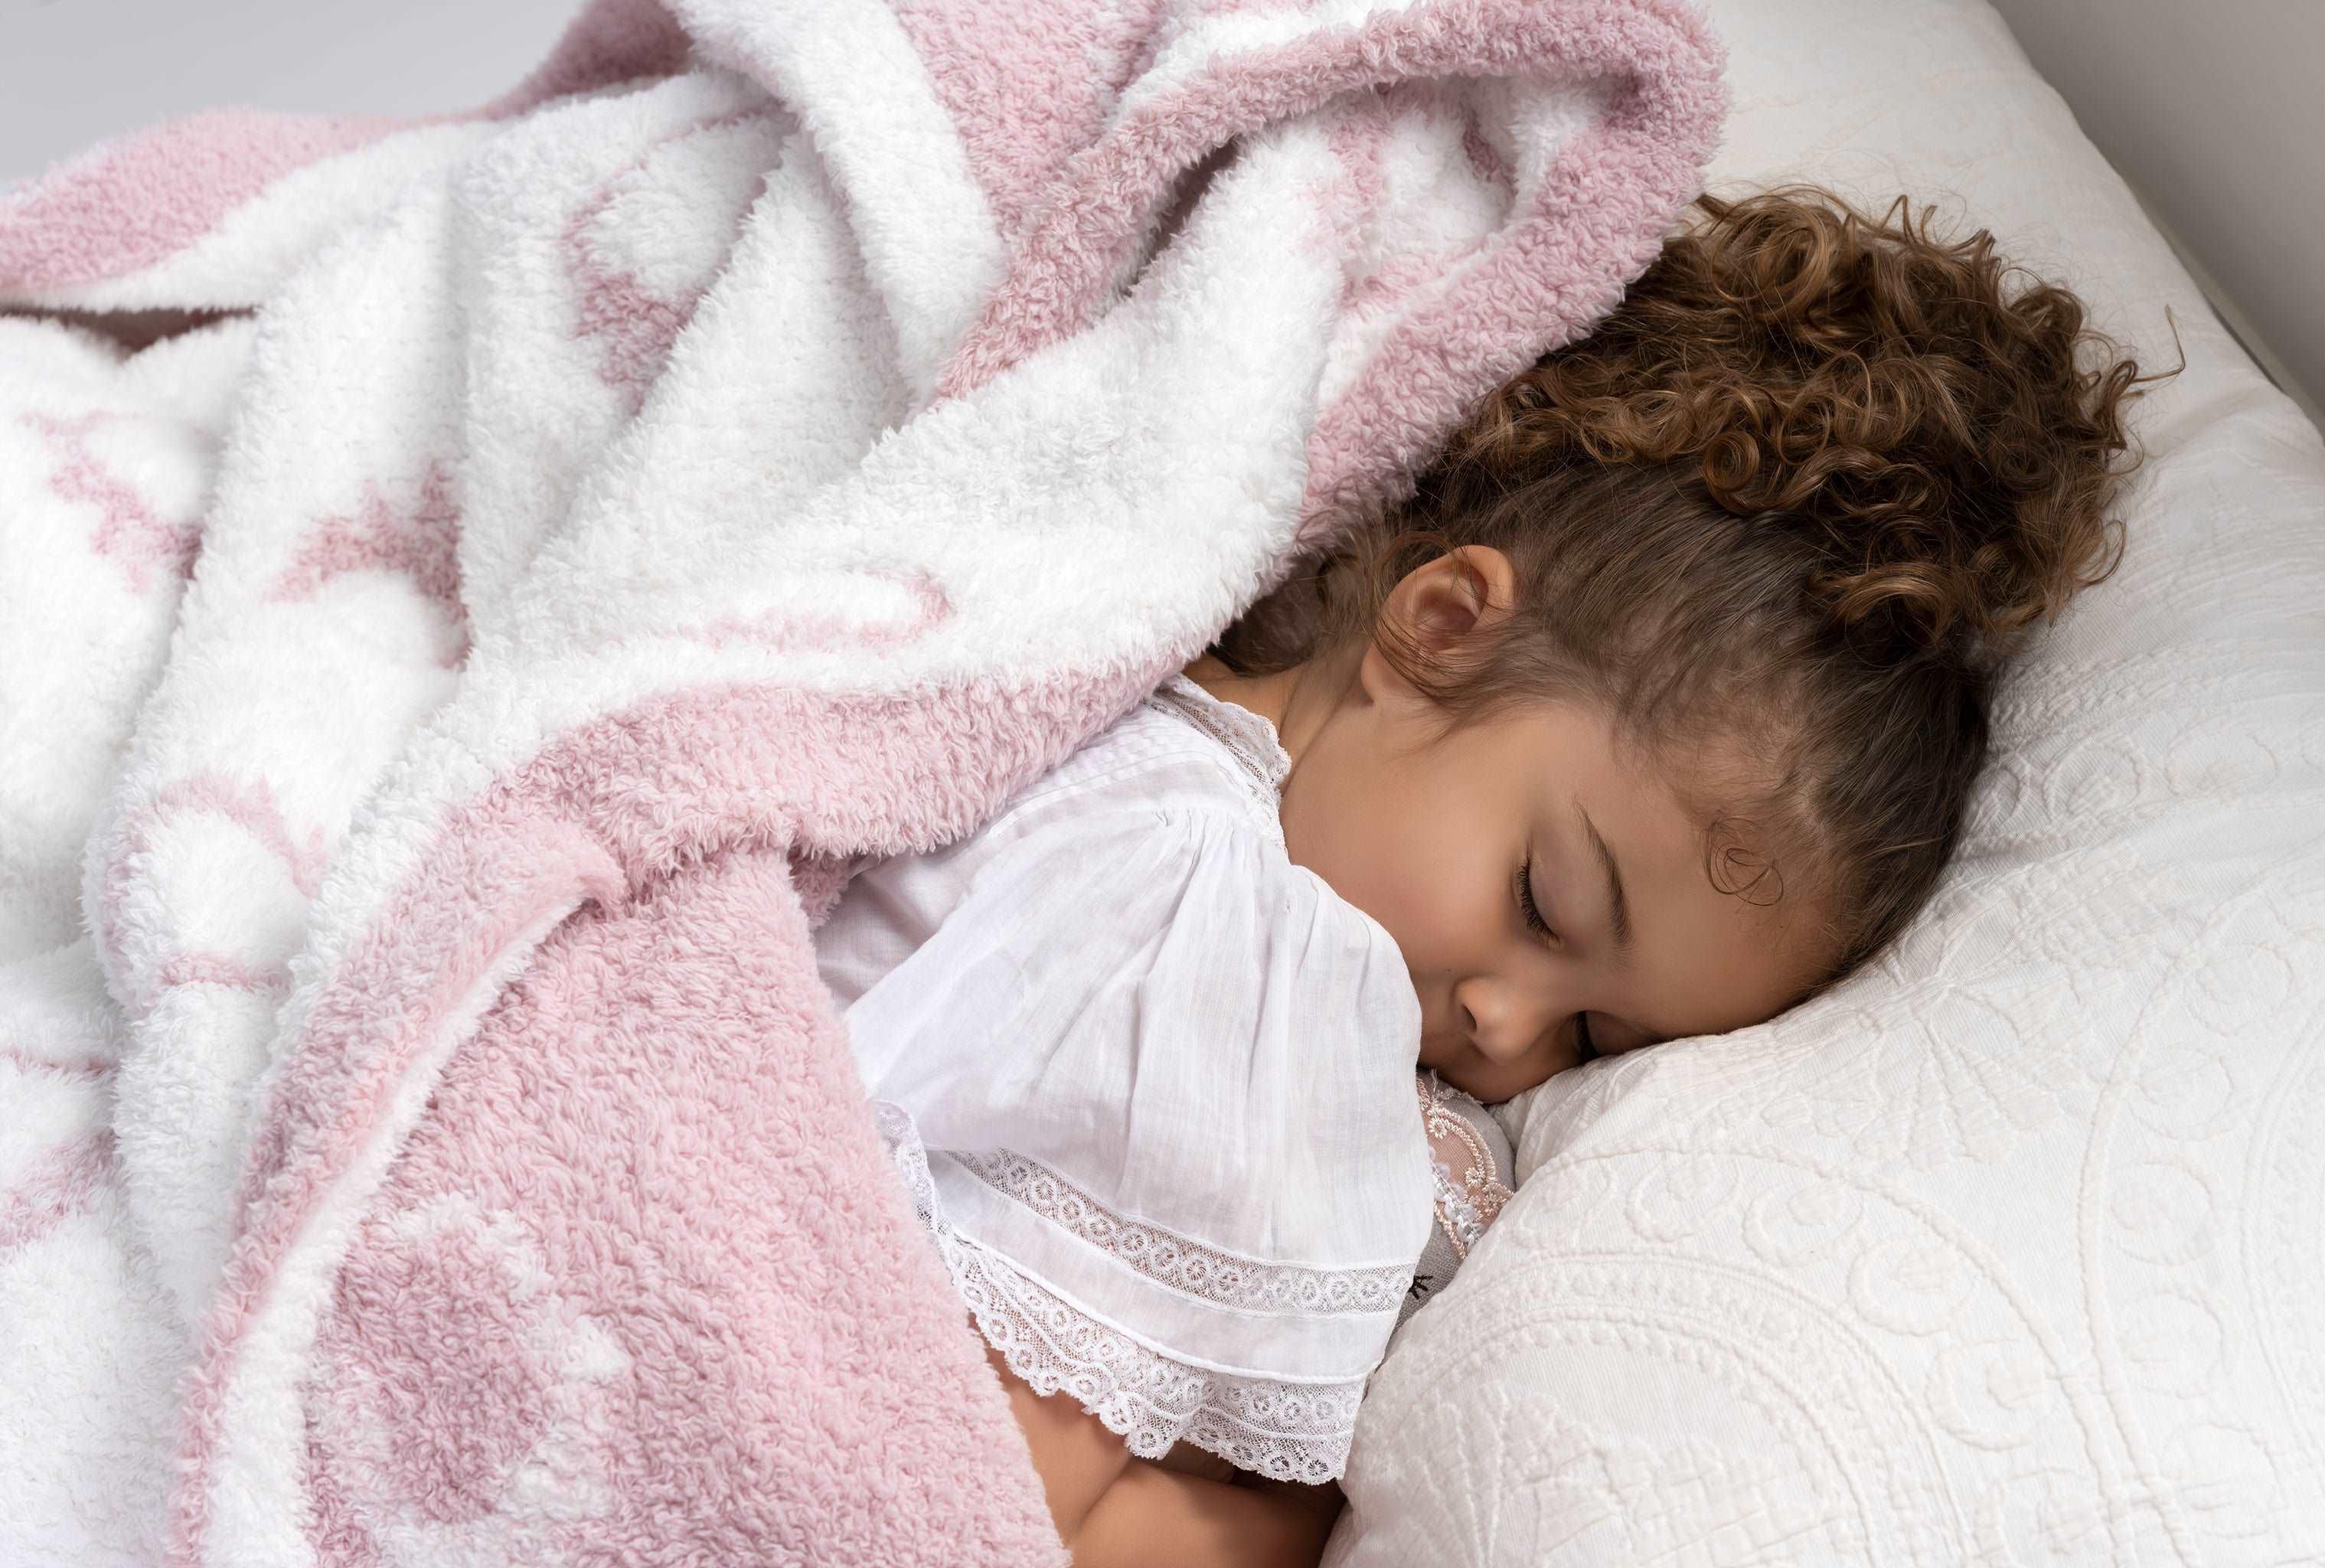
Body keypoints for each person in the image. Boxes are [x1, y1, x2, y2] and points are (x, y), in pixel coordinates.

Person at [807, 185, 2169, 1565]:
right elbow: (965, 1493)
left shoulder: (1130, 734)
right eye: (1545, 903)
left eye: (1595, 1036)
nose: (1512, 1030)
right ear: (1442, 627)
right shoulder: (1218, 931)